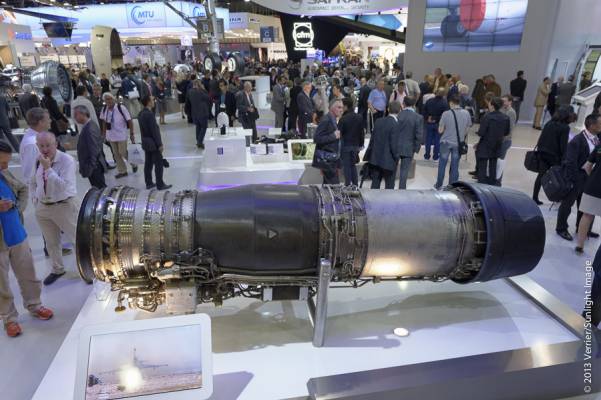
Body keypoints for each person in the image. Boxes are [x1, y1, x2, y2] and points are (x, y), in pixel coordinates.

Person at [0, 141, 53, 337]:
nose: (5, 166)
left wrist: (17, 208)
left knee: (28, 275)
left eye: (7, 162)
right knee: (2, 284)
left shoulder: (5, 174)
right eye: (2, 162)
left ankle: (35, 305)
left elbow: (22, 189)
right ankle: (9, 319)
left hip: (17, 235)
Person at [31, 132, 78, 285]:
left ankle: (87, 269)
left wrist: (48, 169)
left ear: (56, 144)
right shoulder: (38, 159)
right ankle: (57, 269)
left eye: (48, 145)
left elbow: (64, 186)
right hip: (43, 208)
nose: (45, 149)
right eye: (41, 146)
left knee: (76, 239)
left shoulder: (67, 160)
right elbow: (33, 181)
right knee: (51, 242)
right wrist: (35, 198)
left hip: (63, 205)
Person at [556, 113, 601, 241]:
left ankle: (582, 229)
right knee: (567, 204)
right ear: (592, 125)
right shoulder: (577, 140)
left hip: (590, 178)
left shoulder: (597, 138)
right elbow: (570, 162)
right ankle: (561, 228)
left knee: (585, 206)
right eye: (600, 123)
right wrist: (574, 180)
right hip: (577, 177)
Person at [531, 106, 572, 205]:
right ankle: (557, 198)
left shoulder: (549, 123)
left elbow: (541, 138)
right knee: (559, 178)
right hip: (555, 157)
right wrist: (564, 158)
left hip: (543, 153)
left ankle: (535, 197)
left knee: (540, 176)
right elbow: (563, 145)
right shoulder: (565, 127)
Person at [435, 94, 471, 190]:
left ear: (451, 103)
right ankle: (452, 186)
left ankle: (439, 185)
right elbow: (467, 128)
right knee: (455, 166)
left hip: (446, 142)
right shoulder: (466, 113)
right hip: (458, 143)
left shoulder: (446, 113)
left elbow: (440, 130)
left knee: (442, 165)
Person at [99, 93, 136, 179]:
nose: (108, 101)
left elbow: (129, 120)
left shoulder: (121, 108)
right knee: (116, 154)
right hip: (111, 135)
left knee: (122, 152)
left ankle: (133, 163)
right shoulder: (104, 109)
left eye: (110, 99)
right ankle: (122, 171)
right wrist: (104, 134)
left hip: (121, 134)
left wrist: (132, 133)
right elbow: (103, 122)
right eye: (106, 99)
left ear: (114, 99)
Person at [138, 96, 171, 191]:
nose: (154, 101)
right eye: (152, 100)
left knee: (148, 163)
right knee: (158, 164)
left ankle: (148, 182)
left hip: (145, 142)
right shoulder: (149, 114)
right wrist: (159, 144)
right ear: (148, 102)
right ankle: (160, 184)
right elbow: (154, 131)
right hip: (153, 143)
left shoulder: (141, 113)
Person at [475, 97, 510, 185]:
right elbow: (506, 132)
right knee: (493, 167)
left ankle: (481, 185)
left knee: (482, 167)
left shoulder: (487, 117)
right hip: (497, 145)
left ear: (492, 106)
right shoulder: (506, 118)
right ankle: (492, 185)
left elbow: (481, 133)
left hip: (485, 145)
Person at [368, 100, 402, 189]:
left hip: (376, 159)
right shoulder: (396, 124)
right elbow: (394, 145)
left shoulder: (378, 121)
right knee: (389, 186)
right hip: (389, 161)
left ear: (388, 109)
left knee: (375, 184)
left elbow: (373, 140)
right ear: (400, 110)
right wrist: (397, 157)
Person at [576, 143, 601, 253]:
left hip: (592, 186)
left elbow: (587, 166)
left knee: (586, 215)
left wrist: (593, 178)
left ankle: (580, 245)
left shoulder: (599, 146)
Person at [73, 105, 106, 189]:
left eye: (76, 115)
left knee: (100, 189)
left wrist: (91, 167)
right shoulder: (89, 126)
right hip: (94, 165)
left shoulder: (89, 129)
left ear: (83, 114)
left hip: (94, 167)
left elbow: (94, 149)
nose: (74, 118)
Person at [312, 99, 343, 184]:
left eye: (342, 107)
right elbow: (316, 138)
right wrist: (333, 136)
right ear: (332, 108)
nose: (341, 110)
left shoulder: (332, 119)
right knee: (333, 186)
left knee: (329, 186)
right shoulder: (326, 120)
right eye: (339, 107)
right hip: (327, 160)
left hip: (331, 160)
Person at [395, 96, 423, 189]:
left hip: (395, 147)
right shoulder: (418, 117)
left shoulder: (397, 115)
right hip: (409, 147)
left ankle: (390, 190)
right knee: (404, 171)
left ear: (403, 104)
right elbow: (419, 135)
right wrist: (416, 149)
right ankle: (402, 190)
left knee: (392, 170)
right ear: (414, 105)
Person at [338, 97, 364, 186]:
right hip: (356, 145)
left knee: (347, 167)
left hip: (346, 145)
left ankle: (348, 185)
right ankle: (355, 185)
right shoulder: (359, 117)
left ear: (346, 106)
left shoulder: (343, 119)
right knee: (353, 165)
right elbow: (361, 132)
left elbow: (339, 133)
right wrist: (361, 145)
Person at [423, 87, 449, 161]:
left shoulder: (429, 101)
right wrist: (436, 119)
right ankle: (435, 156)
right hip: (439, 123)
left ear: (436, 92)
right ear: (444, 94)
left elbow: (424, 110)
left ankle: (427, 155)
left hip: (429, 122)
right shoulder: (445, 103)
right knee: (437, 140)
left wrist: (427, 118)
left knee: (428, 139)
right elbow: (445, 115)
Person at [496, 94, 517, 185]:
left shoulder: (511, 112)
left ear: (510, 102)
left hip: (504, 141)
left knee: (500, 163)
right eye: (502, 101)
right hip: (499, 140)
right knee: (497, 162)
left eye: (504, 101)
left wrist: (502, 139)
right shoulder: (502, 109)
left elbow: (510, 129)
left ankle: (498, 182)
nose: (503, 102)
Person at [187, 80, 211, 149]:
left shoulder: (190, 92)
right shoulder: (200, 91)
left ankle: (198, 141)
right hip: (202, 113)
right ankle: (200, 142)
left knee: (198, 127)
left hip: (194, 113)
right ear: (199, 84)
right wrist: (203, 89)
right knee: (204, 127)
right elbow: (208, 98)